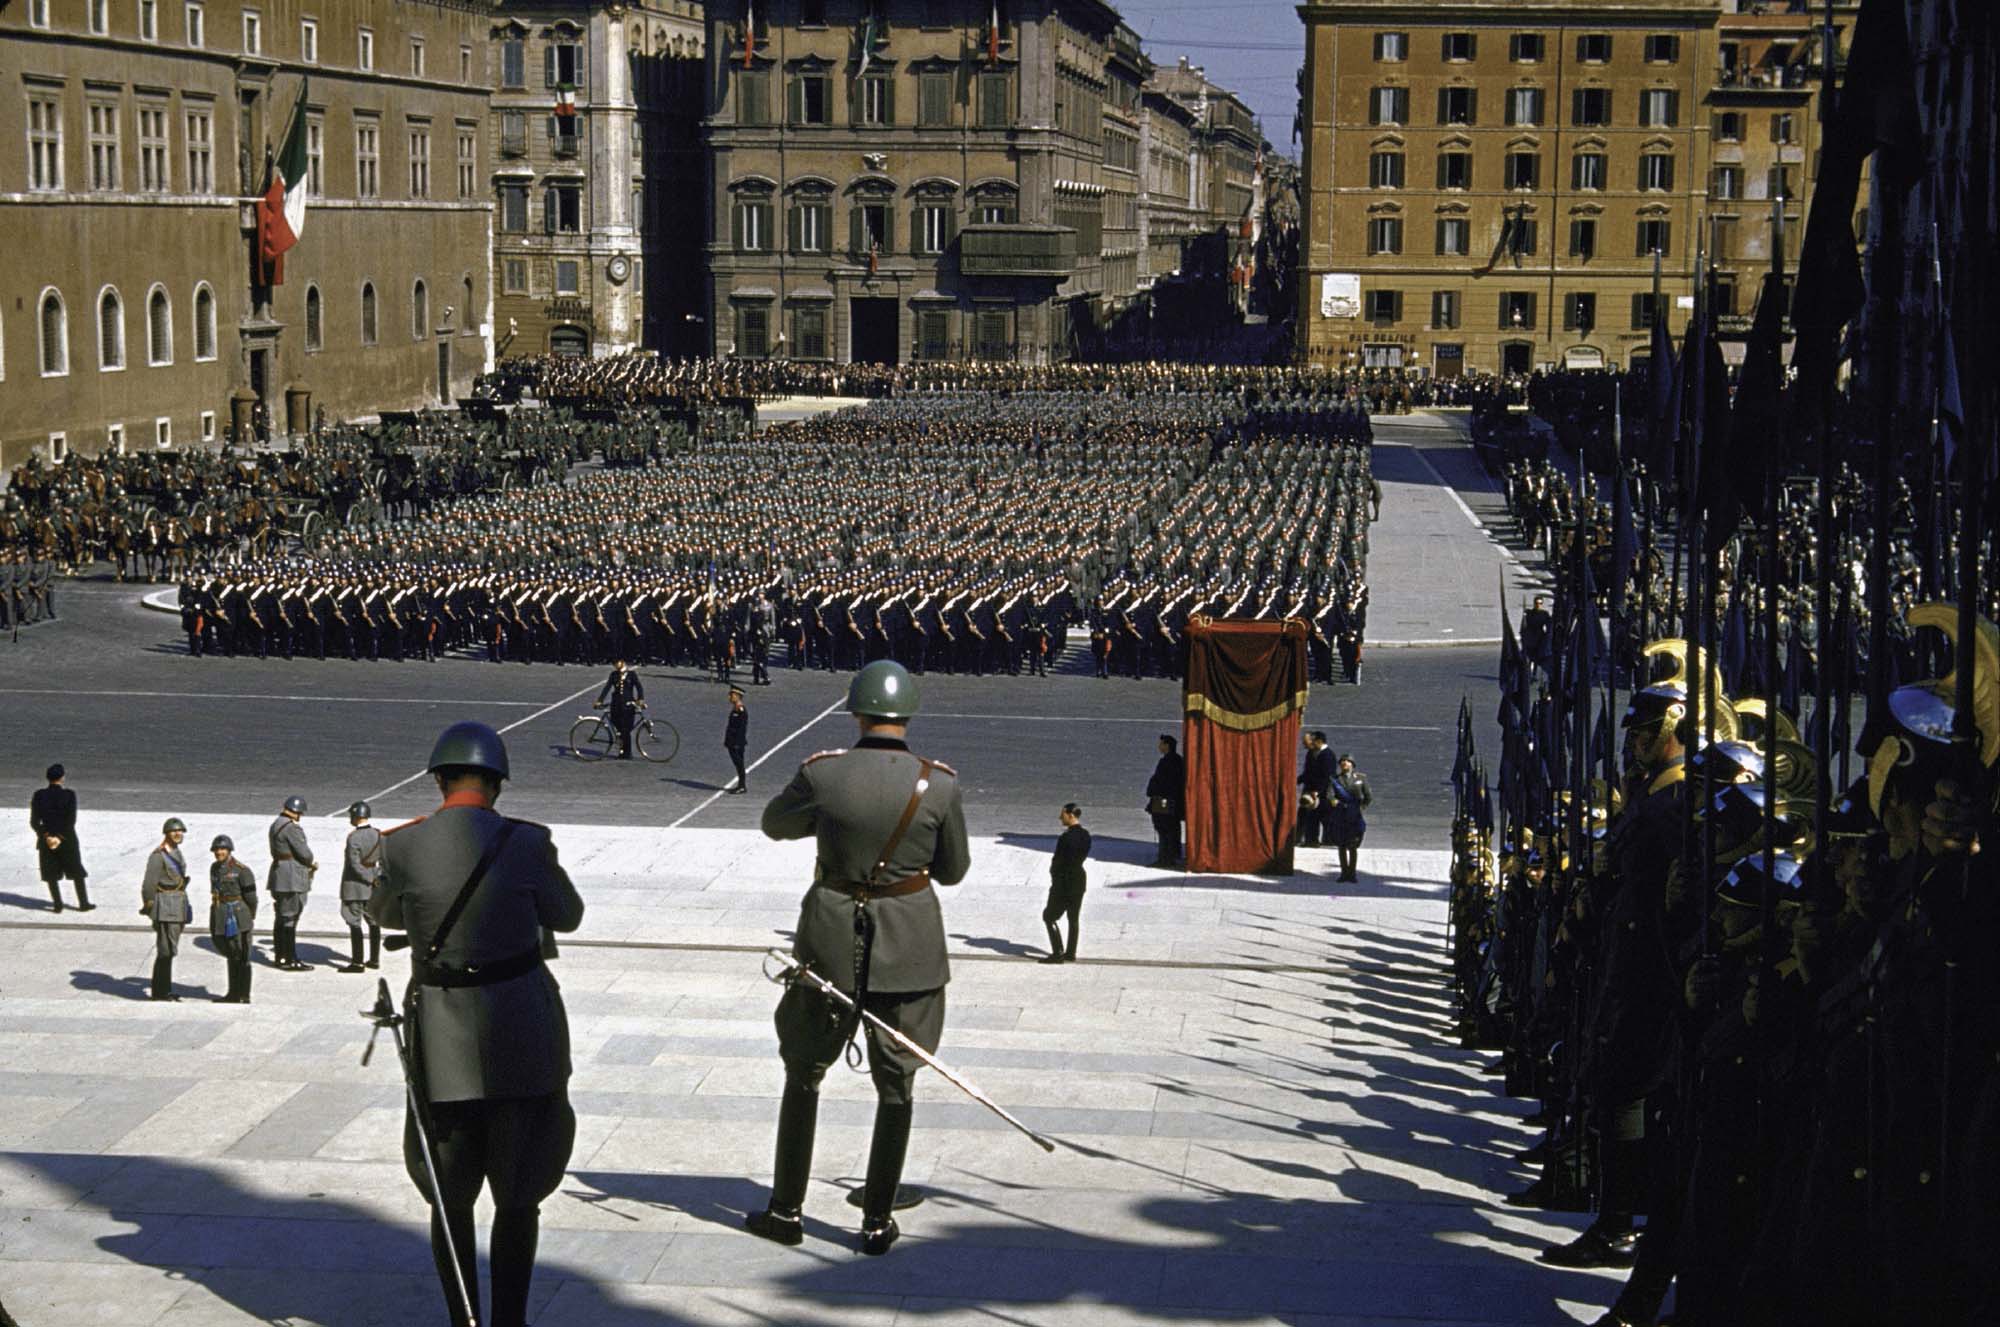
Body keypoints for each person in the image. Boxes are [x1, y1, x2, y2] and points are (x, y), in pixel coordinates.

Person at [747, 659, 971, 1255]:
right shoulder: (938, 784)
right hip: (909, 949)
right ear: (909, 713)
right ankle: (876, 1221)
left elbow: (775, 824)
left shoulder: (823, 774)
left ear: (857, 710)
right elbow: (952, 871)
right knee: (896, 1087)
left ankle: (786, 1210)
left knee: (803, 1074)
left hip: (828, 942)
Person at [369, 720, 585, 1327]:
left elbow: (382, 910)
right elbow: (567, 915)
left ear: (438, 782)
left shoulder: (403, 844)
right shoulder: (527, 841)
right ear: (498, 786)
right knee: (517, 1198)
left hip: (442, 1039)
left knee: (450, 1196)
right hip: (519, 1028)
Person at [30, 763, 94, 913]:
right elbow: (70, 821)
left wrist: (46, 836)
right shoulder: (69, 795)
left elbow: (34, 821)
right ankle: (83, 903)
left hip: (47, 841)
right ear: (62, 777)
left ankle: (57, 904)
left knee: (51, 874)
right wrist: (59, 836)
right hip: (67, 840)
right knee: (77, 872)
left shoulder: (39, 795)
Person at [140, 818, 192, 1002]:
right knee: (165, 950)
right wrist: (150, 908)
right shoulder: (158, 856)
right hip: (165, 906)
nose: (178, 834)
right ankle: (159, 991)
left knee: (170, 949)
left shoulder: (176, 852)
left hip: (177, 904)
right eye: (174, 831)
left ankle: (165, 988)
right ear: (166, 833)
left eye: (180, 831)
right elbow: (148, 885)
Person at [267, 795, 317, 971]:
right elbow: (304, 854)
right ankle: (289, 958)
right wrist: (311, 862)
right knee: (290, 918)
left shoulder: (276, 824)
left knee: (281, 916)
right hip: (291, 877)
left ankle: (280, 956)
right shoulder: (292, 829)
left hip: (279, 873)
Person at [209, 834, 258, 1003]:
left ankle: (243, 994)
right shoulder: (214, 868)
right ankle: (233, 992)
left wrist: (249, 917)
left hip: (238, 915)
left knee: (241, 954)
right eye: (216, 850)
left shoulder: (241, 871)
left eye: (222, 849)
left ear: (229, 850)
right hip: (221, 914)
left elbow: (251, 898)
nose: (219, 852)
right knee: (230, 953)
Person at [1041, 804, 1090, 963]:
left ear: (1070, 815)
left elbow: (1058, 862)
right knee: (1073, 918)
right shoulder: (1086, 835)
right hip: (1079, 879)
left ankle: (1058, 952)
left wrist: (1054, 877)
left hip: (1064, 882)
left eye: (1063, 814)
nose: (1060, 817)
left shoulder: (1065, 838)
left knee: (1049, 916)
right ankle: (1071, 952)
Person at [339, 801, 384, 973]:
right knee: (373, 922)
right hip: (372, 887)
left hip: (355, 887)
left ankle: (357, 962)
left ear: (356, 817)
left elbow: (354, 864)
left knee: (354, 921)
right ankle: (374, 959)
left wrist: (368, 879)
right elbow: (383, 860)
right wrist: (375, 878)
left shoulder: (354, 837)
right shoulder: (378, 834)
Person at [1327, 753, 1372, 881]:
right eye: (1342, 761)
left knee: (1352, 846)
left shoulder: (1360, 779)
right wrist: (1334, 802)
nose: (1344, 763)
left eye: (1347, 761)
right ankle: (1344, 873)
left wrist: (1360, 808)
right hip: (1340, 815)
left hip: (1354, 816)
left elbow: (1368, 796)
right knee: (1341, 845)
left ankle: (1352, 873)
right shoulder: (1335, 779)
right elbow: (1330, 795)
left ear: (1352, 764)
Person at [1146, 734, 1186, 868]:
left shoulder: (1167, 762)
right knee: (1172, 829)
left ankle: (1165, 858)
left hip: (1164, 800)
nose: (1159, 746)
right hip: (1171, 800)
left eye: (1161, 744)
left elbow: (1162, 782)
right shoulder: (1177, 760)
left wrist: (1153, 793)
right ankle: (1173, 855)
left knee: (1164, 829)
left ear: (1167, 745)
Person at [596, 658, 645, 759]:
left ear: (622, 662)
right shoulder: (614, 675)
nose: (615, 665)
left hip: (628, 704)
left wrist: (640, 699)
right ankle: (622, 750)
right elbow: (607, 687)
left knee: (626, 729)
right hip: (616, 704)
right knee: (619, 728)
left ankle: (627, 752)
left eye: (616, 663)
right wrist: (600, 700)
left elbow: (639, 687)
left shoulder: (631, 674)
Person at [1297, 732, 1334, 848]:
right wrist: (1297, 780)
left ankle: (1328, 840)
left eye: (1312, 741)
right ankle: (1311, 840)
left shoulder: (1328, 755)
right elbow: (1307, 772)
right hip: (1309, 790)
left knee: (1323, 815)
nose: (1309, 744)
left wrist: (1318, 791)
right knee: (1309, 816)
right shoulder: (1311, 753)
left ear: (1319, 741)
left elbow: (1327, 776)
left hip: (1322, 792)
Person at [724, 685, 749, 793]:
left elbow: (741, 728)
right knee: (738, 763)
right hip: (732, 741)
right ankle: (741, 785)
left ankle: (742, 786)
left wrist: (737, 742)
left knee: (739, 763)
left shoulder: (740, 710)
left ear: (738, 696)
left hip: (737, 743)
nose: (730, 697)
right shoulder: (735, 708)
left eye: (732, 695)